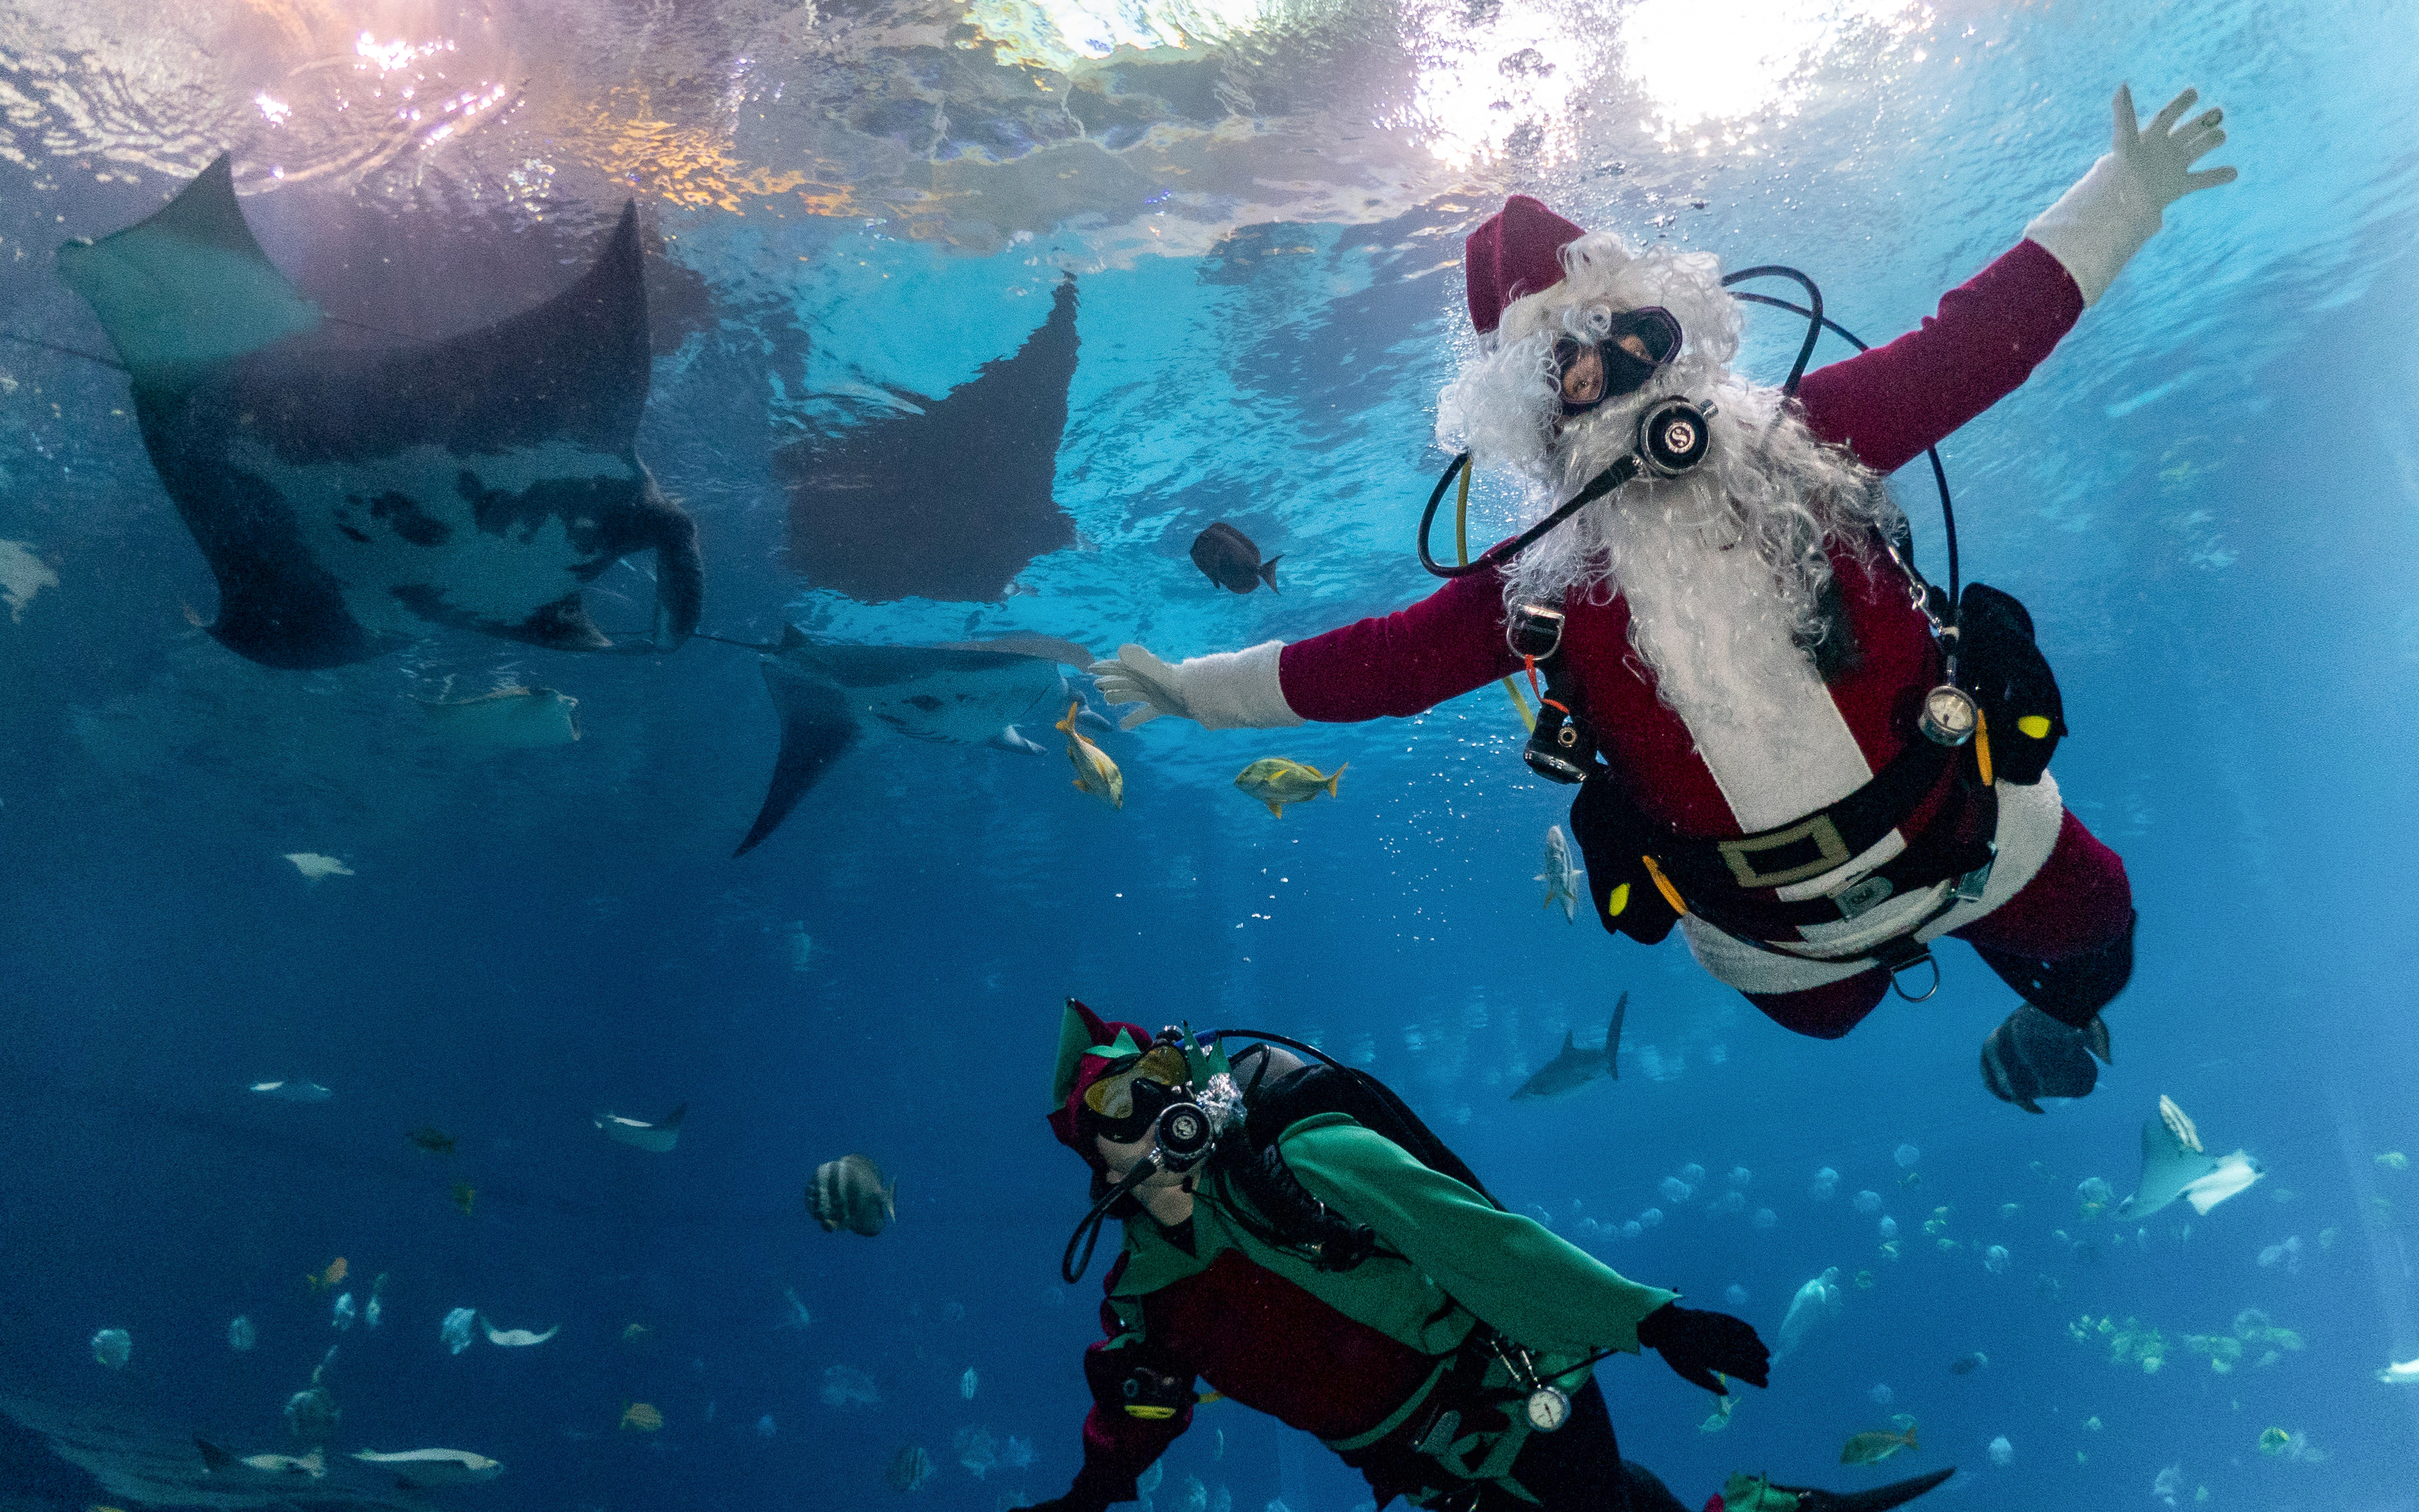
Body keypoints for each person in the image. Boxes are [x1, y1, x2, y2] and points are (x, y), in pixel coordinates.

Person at [1090, 84, 2238, 1109]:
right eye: (1580, 369)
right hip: (1776, 936)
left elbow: (1971, 348)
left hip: (1973, 823)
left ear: (1679, 332)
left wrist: (2125, 193)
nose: (1624, 380)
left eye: (1637, 339)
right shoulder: (1543, 579)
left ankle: (2040, 1004)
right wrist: (1195, 691)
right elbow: (1375, 665)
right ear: (1537, 417)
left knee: (2099, 953)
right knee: (1831, 1018)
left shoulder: (1808, 430)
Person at [1017, 1001, 1955, 1512]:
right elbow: (1141, 1401)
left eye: (1160, 1083)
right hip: (1428, 1476)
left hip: (1516, 1403)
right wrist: (1090, 1494)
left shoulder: (1296, 1160)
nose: (1151, 1109)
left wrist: (1650, 1317)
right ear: (1087, 1148)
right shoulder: (1145, 1294)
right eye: (1117, 1105)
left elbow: (1478, 1240)